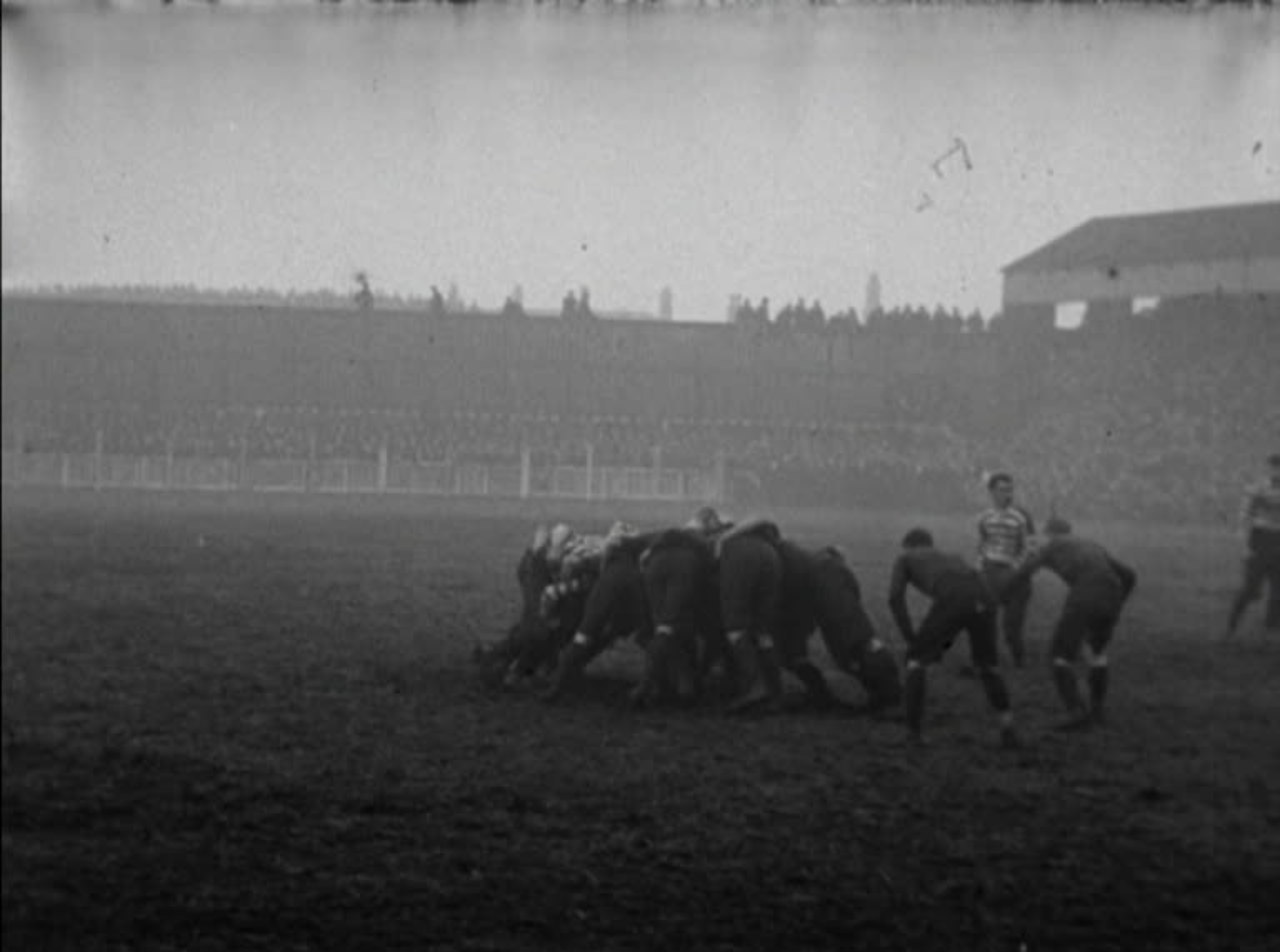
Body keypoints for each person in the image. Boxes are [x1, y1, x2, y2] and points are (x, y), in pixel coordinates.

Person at [888, 528, 1019, 748]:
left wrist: (910, 636)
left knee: (915, 663)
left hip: (953, 596)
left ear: (909, 545)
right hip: (985, 599)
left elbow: (894, 598)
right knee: (988, 667)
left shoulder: (906, 557)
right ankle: (1008, 727)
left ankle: (913, 734)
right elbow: (979, 583)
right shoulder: (953, 556)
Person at [1003, 517, 1136, 731]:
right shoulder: (1092, 544)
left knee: (1059, 656)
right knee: (1097, 653)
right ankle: (1097, 710)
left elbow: (1024, 572)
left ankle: (1076, 712)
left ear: (1049, 534)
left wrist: (1000, 594)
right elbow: (1129, 575)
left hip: (1085, 596)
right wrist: (1118, 603)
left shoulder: (1052, 545)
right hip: (1111, 595)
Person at [976, 472, 1037, 667]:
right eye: (1003, 490)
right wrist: (980, 565)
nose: (1008, 494)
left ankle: (1019, 659)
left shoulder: (1020, 518)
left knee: (1011, 625)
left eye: (1010, 489)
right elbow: (982, 543)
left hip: (1014, 576)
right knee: (984, 619)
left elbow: (1030, 548)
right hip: (991, 573)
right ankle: (987, 661)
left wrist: (1015, 567)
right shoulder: (985, 517)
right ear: (992, 492)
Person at [1225, 453, 1280, 638]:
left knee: (1278, 592)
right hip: (1261, 539)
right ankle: (1231, 626)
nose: (1278, 471)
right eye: (1275, 467)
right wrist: (1246, 545)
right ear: (1269, 468)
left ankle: (1270, 631)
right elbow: (1244, 517)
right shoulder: (1257, 488)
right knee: (1251, 589)